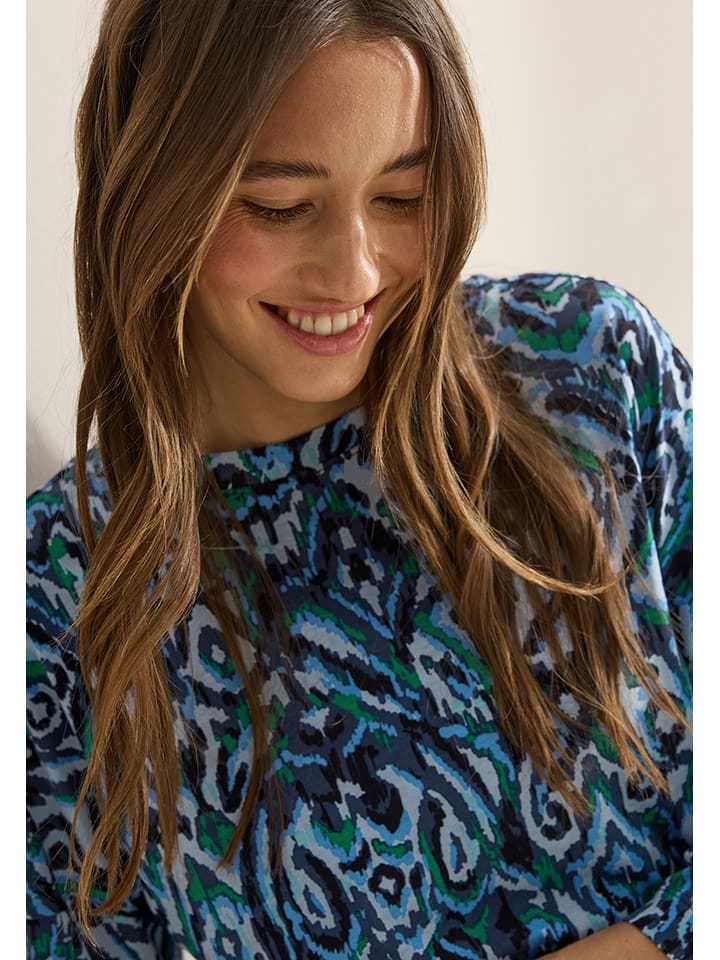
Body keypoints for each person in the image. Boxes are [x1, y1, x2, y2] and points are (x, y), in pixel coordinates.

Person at [26, 0, 692, 957]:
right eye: (279, 206)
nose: (354, 271)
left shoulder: (594, 373)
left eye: (403, 196)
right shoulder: (53, 606)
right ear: (150, 190)